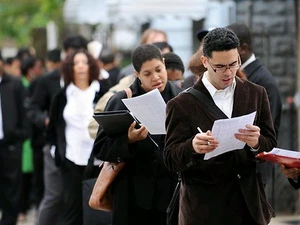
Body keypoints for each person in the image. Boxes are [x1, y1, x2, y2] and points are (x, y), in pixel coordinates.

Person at [163, 28, 277, 225]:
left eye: (234, 64)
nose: (229, 72)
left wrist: (256, 142)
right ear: (205, 62)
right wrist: (192, 147)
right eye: (220, 66)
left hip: (248, 206)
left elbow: (270, 143)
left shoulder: (256, 93)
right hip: (204, 210)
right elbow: (170, 158)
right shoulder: (181, 104)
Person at [92, 44, 182, 225]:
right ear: (137, 74)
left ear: (164, 64)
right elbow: (101, 149)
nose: (156, 78)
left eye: (159, 69)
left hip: (170, 196)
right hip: (131, 198)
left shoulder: (181, 99)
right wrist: (128, 140)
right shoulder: (122, 100)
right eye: (147, 74)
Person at [26, 34, 89, 225]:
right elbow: (32, 107)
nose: (76, 63)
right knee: (55, 196)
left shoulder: (95, 81)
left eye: (80, 57)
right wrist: (46, 120)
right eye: (71, 57)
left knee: (83, 197)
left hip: (86, 148)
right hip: (57, 146)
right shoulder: (49, 80)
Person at [47, 50, 106, 225]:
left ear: (91, 66)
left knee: (97, 209)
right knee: (72, 208)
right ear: (69, 68)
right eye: (76, 63)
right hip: (71, 158)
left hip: (98, 159)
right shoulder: (63, 95)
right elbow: (53, 127)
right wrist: (57, 152)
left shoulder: (102, 92)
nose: (80, 66)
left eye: (84, 62)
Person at [226, 23, 282, 203]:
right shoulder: (234, 75)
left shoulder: (264, 81)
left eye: (229, 49)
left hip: (254, 171)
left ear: (242, 49)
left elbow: (268, 131)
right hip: (235, 171)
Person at [0, 52, 28, 225]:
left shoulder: (14, 84)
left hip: (10, 145)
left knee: (12, 190)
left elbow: (25, 114)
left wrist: (19, 137)